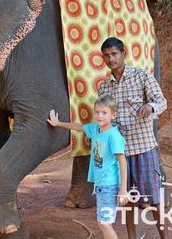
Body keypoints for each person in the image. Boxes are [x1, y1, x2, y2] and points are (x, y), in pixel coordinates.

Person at [98, 37, 169, 239]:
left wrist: (150, 106)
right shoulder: (104, 88)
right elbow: (104, 120)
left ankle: (165, 237)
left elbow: (161, 101)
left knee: (155, 199)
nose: (111, 59)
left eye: (114, 54)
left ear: (123, 53)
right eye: (106, 55)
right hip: (119, 154)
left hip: (144, 148)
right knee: (126, 200)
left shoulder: (141, 76)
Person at [48, 94, 128, 239]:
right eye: (97, 112)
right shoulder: (95, 129)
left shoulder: (113, 136)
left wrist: (123, 189)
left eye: (104, 113)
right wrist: (58, 123)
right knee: (103, 222)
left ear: (113, 115)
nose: (100, 116)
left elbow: (123, 162)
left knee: (104, 222)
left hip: (110, 185)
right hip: (101, 185)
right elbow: (79, 127)